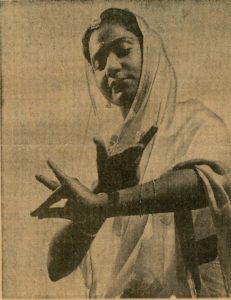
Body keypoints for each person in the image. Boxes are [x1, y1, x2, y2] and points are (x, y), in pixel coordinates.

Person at [31, 8, 231, 298]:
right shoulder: (113, 156)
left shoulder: (195, 121)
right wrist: (101, 196)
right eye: (99, 63)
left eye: (123, 51)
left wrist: (108, 202)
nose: (111, 66)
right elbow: (55, 268)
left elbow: (206, 184)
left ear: (149, 54)